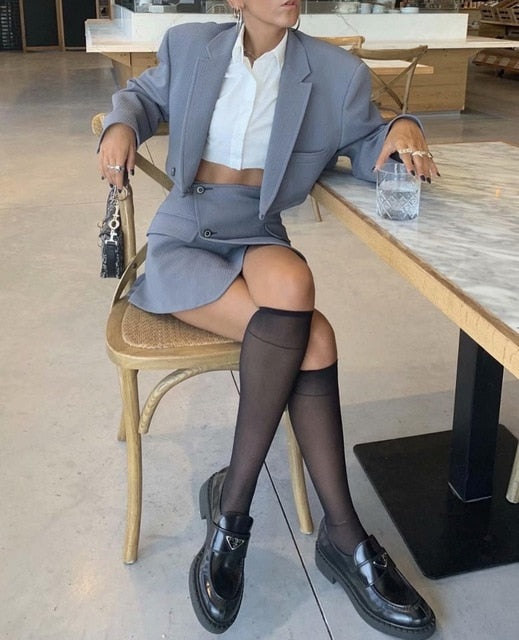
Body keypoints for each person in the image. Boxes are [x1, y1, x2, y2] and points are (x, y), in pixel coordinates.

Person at [98, 1, 439, 637]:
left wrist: (403, 129)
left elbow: (370, 141)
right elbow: (141, 98)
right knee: (316, 339)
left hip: (257, 228)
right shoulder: (190, 45)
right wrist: (120, 126)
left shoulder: (334, 72)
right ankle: (345, 537)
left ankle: (232, 515)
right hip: (186, 230)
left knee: (296, 284)